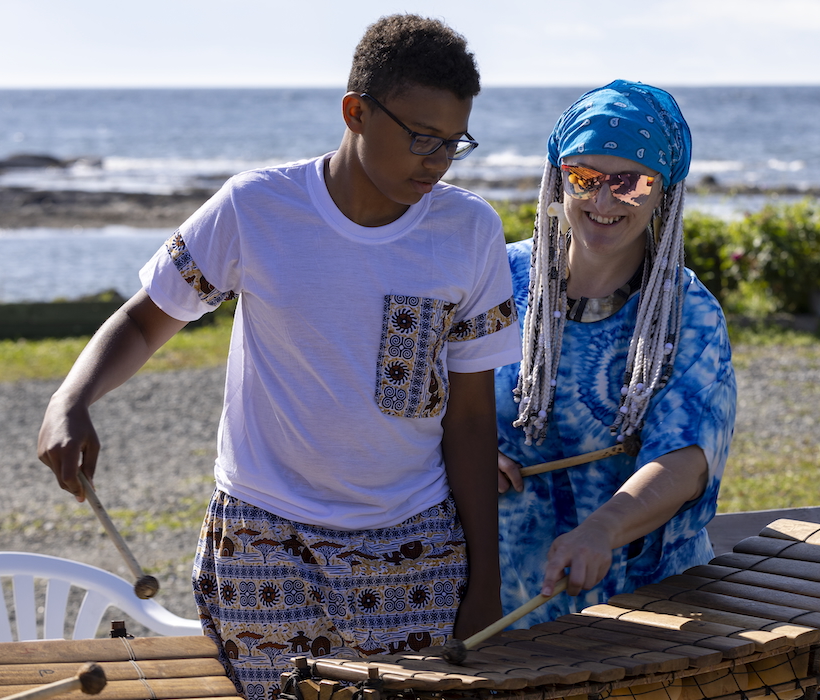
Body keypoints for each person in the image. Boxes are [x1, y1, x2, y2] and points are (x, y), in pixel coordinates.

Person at [36, 15, 519, 700]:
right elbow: (146, 321)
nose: (435, 161)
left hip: (416, 551)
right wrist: (71, 399)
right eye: (419, 138)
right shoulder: (255, 209)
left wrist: (485, 588)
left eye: (453, 143)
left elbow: (471, 422)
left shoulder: (469, 231)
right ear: (355, 111)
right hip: (263, 542)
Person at [494, 80, 737, 627]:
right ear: (559, 179)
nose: (603, 201)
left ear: (663, 192)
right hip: (504, 601)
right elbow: (427, 402)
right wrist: (465, 453)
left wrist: (603, 528)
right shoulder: (494, 281)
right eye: (584, 178)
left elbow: (686, 458)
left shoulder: (689, 314)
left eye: (630, 183)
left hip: (646, 608)